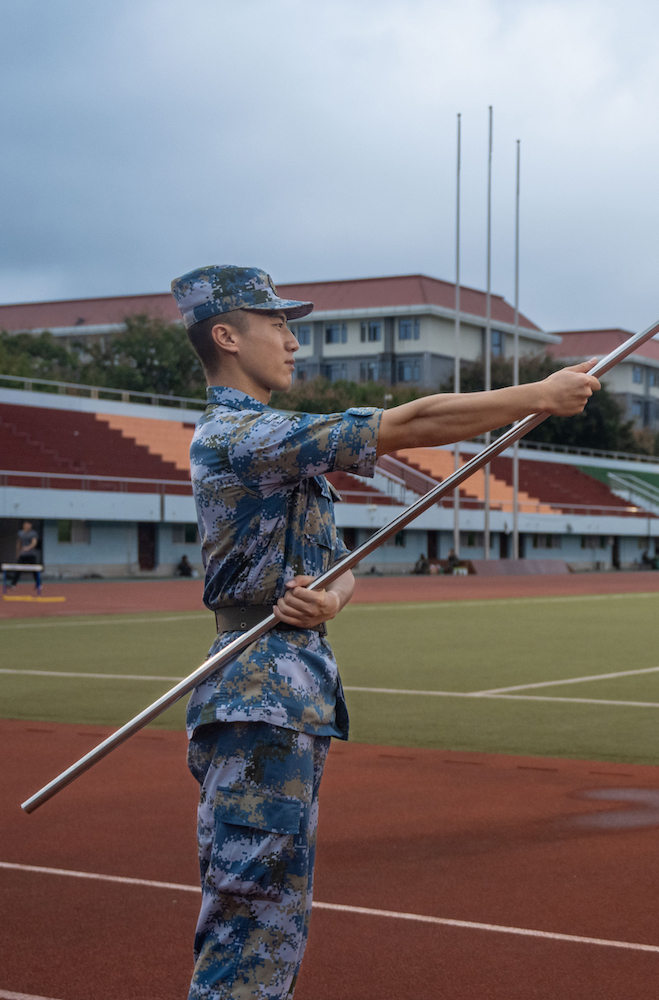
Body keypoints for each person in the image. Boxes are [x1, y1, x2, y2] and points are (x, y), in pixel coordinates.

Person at [171, 265, 597, 999]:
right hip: (254, 700)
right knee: (248, 928)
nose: (292, 340)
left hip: (290, 695)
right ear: (226, 335)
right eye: (277, 324)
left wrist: (330, 601)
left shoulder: (275, 444)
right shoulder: (242, 435)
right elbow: (409, 424)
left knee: (275, 925)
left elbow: (343, 567)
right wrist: (538, 397)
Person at [3, 519, 42, 595]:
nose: (27, 525)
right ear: (24, 525)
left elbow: (34, 542)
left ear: (30, 525)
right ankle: (13, 584)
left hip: (31, 555)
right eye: (26, 524)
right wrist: (18, 553)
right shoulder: (20, 533)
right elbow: (18, 543)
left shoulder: (33, 533)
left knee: (35, 570)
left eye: (29, 524)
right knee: (18, 569)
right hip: (23, 555)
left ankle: (38, 584)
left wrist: (28, 547)